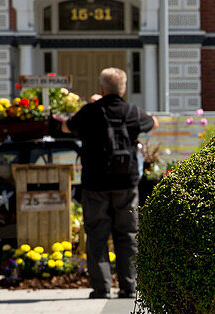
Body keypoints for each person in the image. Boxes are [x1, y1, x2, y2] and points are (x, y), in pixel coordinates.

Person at [61, 67, 157, 299]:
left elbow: (66, 127)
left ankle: (102, 288)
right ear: (124, 88)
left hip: (95, 184)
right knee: (128, 233)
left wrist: (92, 104)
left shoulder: (90, 111)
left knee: (96, 234)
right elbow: (152, 123)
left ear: (102, 89)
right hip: (126, 183)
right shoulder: (132, 111)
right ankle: (130, 286)